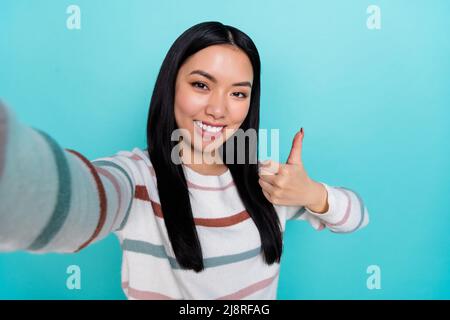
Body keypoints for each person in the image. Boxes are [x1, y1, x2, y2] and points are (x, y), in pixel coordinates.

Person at [0, 21, 369, 299]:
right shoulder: (137, 178)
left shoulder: (268, 181)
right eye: (201, 85)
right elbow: (73, 201)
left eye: (238, 93)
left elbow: (356, 217)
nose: (219, 109)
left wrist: (313, 194)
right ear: (171, 86)